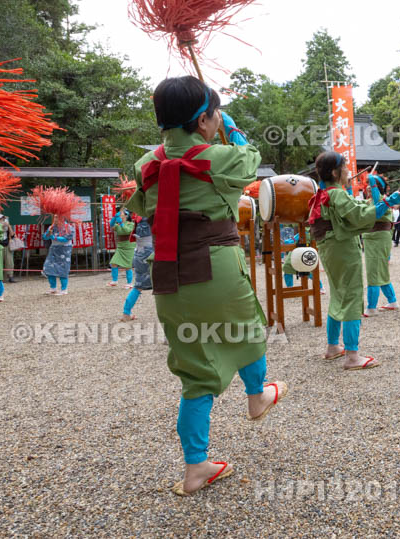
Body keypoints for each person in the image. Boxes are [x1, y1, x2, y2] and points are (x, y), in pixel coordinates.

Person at [127, 76, 287, 497]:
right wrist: (233, 130)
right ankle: (257, 397)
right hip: (214, 265)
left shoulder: (146, 164)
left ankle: (196, 468)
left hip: (168, 272)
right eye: (214, 115)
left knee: (194, 373)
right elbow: (251, 160)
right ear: (203, 121)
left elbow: (143, 206)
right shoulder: (217, 156)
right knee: (250, 326)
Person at [308, 151, 400, 368]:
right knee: (351, 295)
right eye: (346, 168)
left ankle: (333, 347)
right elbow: (358, 216)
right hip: (342, 247)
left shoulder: (321, 194)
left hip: (329, 249)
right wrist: (386, 204)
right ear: (334, 172)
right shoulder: (336, 194)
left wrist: (380, 203)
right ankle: (352, 356)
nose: (349, 172)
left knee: (338, 293)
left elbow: (355, 211)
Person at [362, 175, 398, 315]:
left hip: (378, 238)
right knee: (381, 271)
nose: (369, 189)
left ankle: (372, 307)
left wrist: (372, 181)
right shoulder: (367, 201)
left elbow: (378, 203)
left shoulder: (384, 200)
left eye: (372, 187)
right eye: (368, 187)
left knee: (373, 271)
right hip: (372, 238)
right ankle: (392, 301)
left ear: (378, 187)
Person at [121, 213, 154, 320]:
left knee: (138, 286)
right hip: (149, 253)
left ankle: (126, 312)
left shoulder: (139, 219)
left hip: (139, 254)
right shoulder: (148, 218)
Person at [42, 216, 74, 295]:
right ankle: (53, 288)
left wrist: (52, 237)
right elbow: (45, 237)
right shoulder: (52, 227)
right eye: (55, 217)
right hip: (53, 249)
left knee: (63, 269)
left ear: (62, 218)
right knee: (48, 267)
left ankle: (64, 289)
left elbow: (66, 239)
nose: (55, 219)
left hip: (64, 250)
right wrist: (47, 234)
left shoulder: (69, 227)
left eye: (57, 217)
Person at [108, 209, 136, 288]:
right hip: (120, 246)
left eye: (121, 214)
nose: (120, 215)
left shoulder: (131, 224)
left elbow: (127, 231)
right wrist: (114, 218)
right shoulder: (117, 225)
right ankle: (114, 281)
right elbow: (111, 226)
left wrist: (121, 223)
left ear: (126, 216)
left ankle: (130, 283)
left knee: (127, 265)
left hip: (129, 246)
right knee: (113, 262)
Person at [0, 214, 17, 283]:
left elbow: (13, 235)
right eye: (0, 220)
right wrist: (1, 226)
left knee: (9, 261)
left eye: (3, 219)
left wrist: (9, 226)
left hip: (7, 245)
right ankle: (0, 278)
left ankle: (10, 276)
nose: (2, 221)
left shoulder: (7, 226)